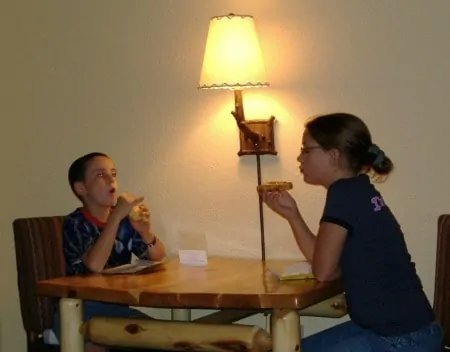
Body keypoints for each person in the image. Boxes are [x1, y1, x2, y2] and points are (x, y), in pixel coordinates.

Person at [261, 113, 442, 351]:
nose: (299, 157)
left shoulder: (344, 195)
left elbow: (323, 272)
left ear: (333, 155)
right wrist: (293, 215)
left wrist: (294, 218)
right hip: (412, 332)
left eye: (306, 149)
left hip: (399, 340)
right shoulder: (360, 191)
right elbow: (332, 268)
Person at [52, 152, 166, 352]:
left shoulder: (124, 221)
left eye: (113, 173)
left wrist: (145, 232)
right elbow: (94, 265)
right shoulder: (76, 223)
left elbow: (157, 255)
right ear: (81, 188)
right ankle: (58, 334)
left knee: (164, 337)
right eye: (100, 175)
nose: (111, 179)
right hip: (81, 309)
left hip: (116, 308)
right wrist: (115, 217)